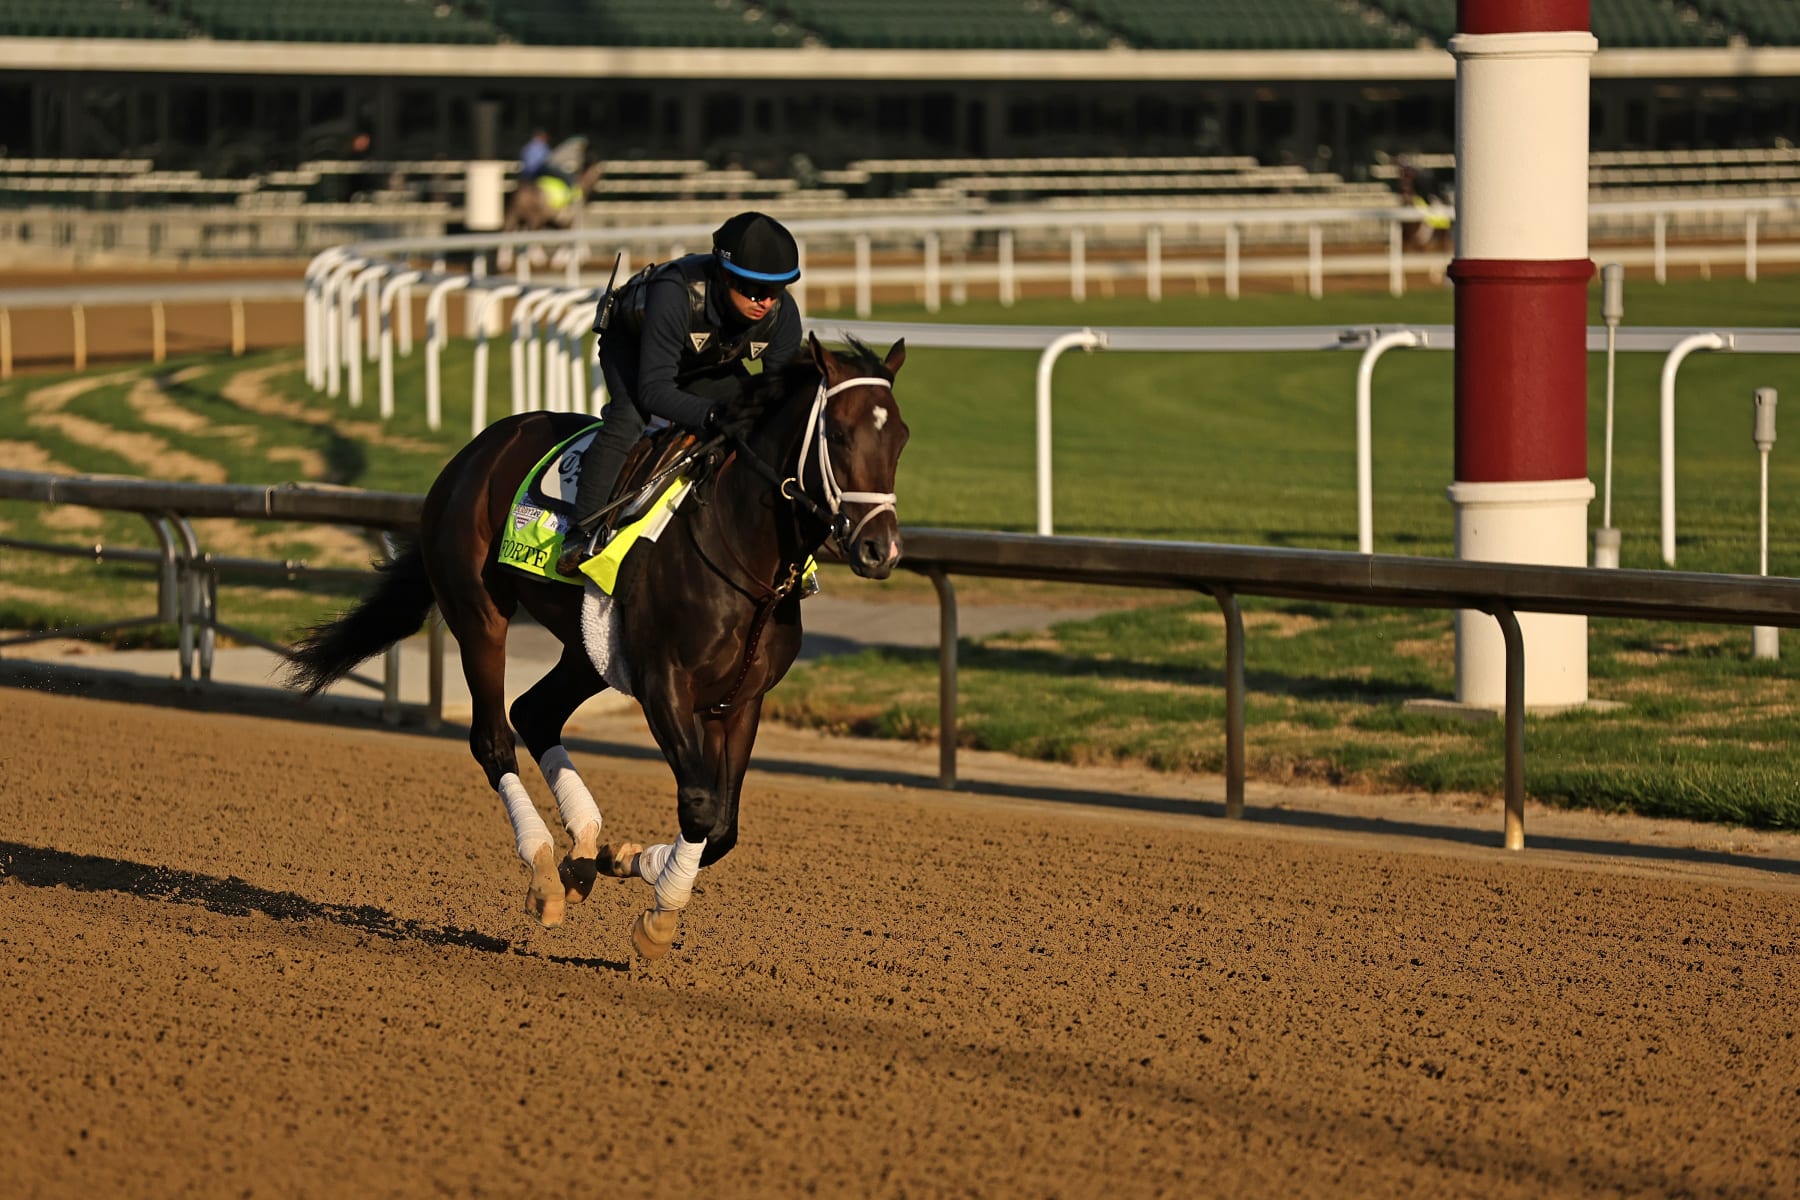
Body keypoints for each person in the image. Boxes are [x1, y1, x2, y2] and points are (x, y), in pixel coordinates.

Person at [555, 210, 804, 578]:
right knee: (629, 417)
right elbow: (655, 390)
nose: (764, 301)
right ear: (723, 275)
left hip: (709, 359)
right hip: (635, 350)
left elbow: (781, 400)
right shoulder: (674, 292)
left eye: (774, 290)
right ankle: (581, 532)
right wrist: (713, 414)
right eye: (752, 288)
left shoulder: (782, 315)